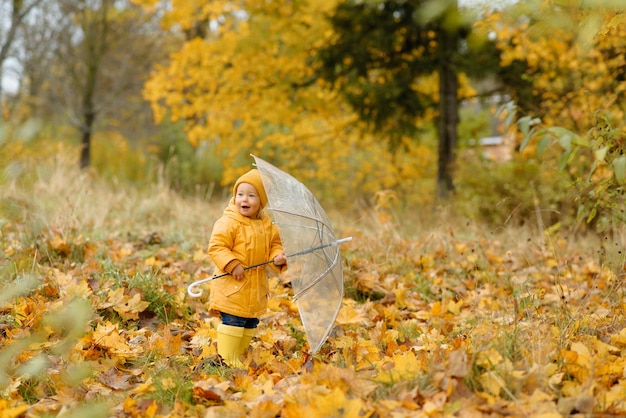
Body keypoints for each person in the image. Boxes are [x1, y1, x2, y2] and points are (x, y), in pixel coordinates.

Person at [208, 168, 287, 367]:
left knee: (250, 322)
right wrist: (232, 264)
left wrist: (277, 257)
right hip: (232, 286)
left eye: (252, 196)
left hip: (256, 287)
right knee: (234, 320)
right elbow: (217, 247)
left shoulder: (268, 226)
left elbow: (274, 245)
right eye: (240, 194)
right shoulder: (229, 222)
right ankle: (227, 358)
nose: (244, 199)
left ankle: (238, 354)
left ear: (261, 202)